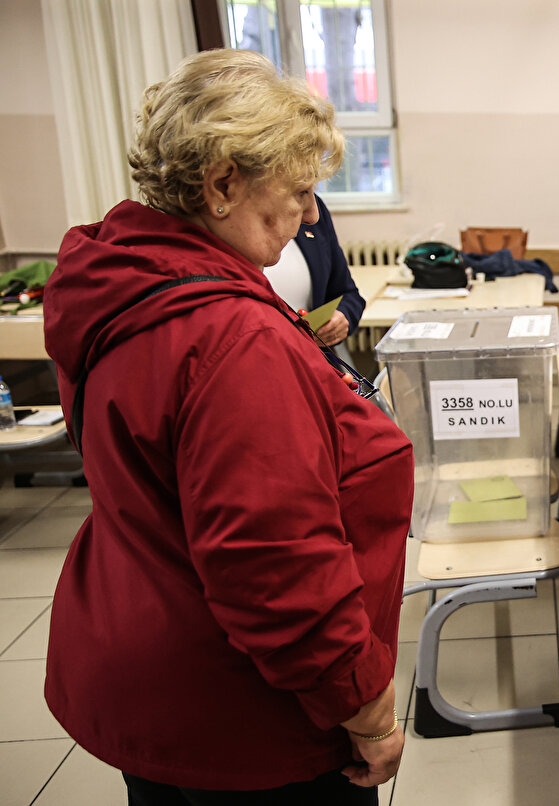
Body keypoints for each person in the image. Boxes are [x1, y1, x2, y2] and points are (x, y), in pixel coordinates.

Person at [41, 49, 413, 804]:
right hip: (241, 704)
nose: (313, 216)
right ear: (220, 185)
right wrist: (365, 706)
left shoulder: (125, 282)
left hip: (149, 657)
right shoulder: (233, 339)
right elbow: (275, 564)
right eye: (300, 192)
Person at [264, 193, 364, 346]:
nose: (313, 215)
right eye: (301, 190)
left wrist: (342, 316)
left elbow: (348, 294)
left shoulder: (313, 207)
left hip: (313, 355)